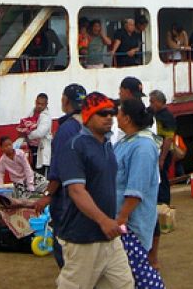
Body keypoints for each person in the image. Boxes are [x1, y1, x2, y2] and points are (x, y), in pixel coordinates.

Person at [56, 91, 134, 289]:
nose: (109, 117)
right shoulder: (75, 147)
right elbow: (76, 191)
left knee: (124, 284)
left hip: (109, 236)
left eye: (112, 113)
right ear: (88, 116)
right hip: (83, 238)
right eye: (103, 113)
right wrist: (103, 220)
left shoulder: (106, 145)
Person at [34, 83, 87, 268]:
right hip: (88, 196)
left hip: (67, 198)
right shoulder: (89, 126)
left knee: (64, 246)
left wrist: (47, 196)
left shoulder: (66, 130)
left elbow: (58, 169)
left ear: (65, 102)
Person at [115, 98, 165, 288]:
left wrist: (122, 217)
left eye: (119, 113)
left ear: (127, 118)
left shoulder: (143, 146)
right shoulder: (126, 141)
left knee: (138, 273)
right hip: (123, 220)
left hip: (131, 223)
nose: (115, 116)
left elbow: (136, 189)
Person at [148, 90, 175, 206]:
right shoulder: (155, 113)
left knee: (162, 177)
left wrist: (162, 158)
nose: (150, 104)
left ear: (159, 102)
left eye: (152, 102)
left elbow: (168, 139)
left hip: (164, 152)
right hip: (157, 150)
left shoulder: (167, 117)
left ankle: (164, 203)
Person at [16, 92, 52, 175]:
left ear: (46, 104)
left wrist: (28, 134)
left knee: (40, 172)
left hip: (41, 148)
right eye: (38, 103)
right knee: (30, 170)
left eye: (42, 104)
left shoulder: (46, 117)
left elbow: (40, 133)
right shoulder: (32, 112)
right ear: (35, 102)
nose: (39, 106)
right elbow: (24, 122)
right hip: (30, 148)